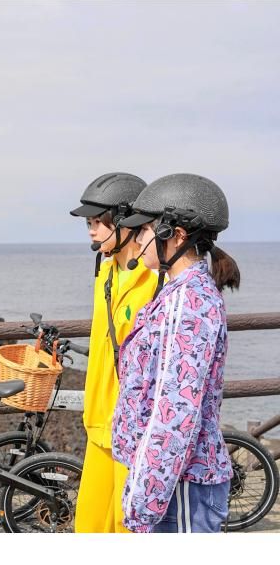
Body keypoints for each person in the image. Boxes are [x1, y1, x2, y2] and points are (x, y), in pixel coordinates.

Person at [112, 173, 239, 533]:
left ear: (176, 234)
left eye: (144, 230)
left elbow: (174, 411)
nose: (137, 240)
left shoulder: (189, 303)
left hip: (180, 487)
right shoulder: (177, 291)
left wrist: (142, 501)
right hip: (169, 481)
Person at [69, 173, 157, 533]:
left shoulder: (154, 281)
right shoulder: (106, 273)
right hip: (99, 422)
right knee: (88, 525)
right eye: (88, 223)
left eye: (97, 222)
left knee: (127, 525)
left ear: (125, 221)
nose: (90, 231)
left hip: (134, 430)